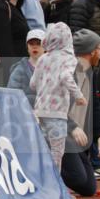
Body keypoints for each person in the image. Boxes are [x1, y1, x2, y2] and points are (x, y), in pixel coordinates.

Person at [31, 22, 86, 172]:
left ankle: (41, 184)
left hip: (40, 111)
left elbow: (33, 83)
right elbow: (66, 77)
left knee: (41, 150)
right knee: (56, 153)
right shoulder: (69, 59)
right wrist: (79, 96)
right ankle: (56, 188)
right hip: (57, 113)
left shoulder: (43, 58)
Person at [60, 30, 100, 196]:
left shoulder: (90, 73)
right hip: (61, 133)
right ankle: (49, 172)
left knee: (89, 188)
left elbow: (94, 106)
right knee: (78, 179)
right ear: (92, 51)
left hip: (76, 139)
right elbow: (54, 107)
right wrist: (72, 127)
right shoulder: (67, 72)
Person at [7, 28, 45, 108]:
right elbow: (11, 95)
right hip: (25, 114)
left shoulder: (51, 68)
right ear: (27, 47)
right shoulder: (19, 70)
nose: (35, 46)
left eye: (38, 43)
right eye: (31, 43)